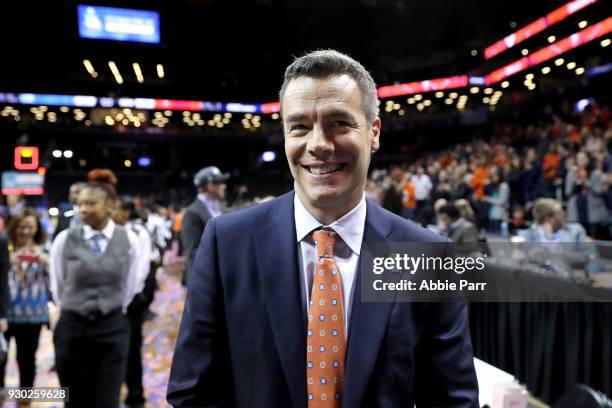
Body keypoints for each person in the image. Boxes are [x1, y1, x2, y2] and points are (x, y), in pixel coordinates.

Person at [167, 50, 478, 407]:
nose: (318, 145)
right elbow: (192, 393)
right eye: (299, 127)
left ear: (374, 132)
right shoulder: (227, 244)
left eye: (339, 124)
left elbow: (453, 400)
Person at [49, 169, 143, 407]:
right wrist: (74, 307)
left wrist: (109, 306)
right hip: (72, 329)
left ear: (110, 206)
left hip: (111, 328)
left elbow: (131, 285)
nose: (82, 209)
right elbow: (58, 283)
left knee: (106, 400)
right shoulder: (64, 239)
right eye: (80, 204)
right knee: (73, 401)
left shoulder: (130, 239)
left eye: (90, 203)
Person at [0, 208, 50, 392]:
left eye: (30, 227)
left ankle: (25, 398)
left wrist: (45, 261)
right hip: (4, 314)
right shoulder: (5, 247)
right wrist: (8, 263)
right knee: (0, 359)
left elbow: (57, 280)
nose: (26, 231)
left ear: (37, 228)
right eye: (22, 227)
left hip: (33, 316)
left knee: (27, 360)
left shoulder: (45, 249)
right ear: (14, 227)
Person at [113, 197, 152, 408]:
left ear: (127, 212)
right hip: (112, 301)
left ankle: (136, 394)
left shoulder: (138, 232)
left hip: (131, 300)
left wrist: (125, 299)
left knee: (132, 349)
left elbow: (141, 269)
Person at [180, 166, 228, 286]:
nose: (224, 186)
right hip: (204, 281)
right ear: (211, 186)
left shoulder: (221, 207)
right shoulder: (192, 213)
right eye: (220, 183)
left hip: (221, 276)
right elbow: (193, 253)